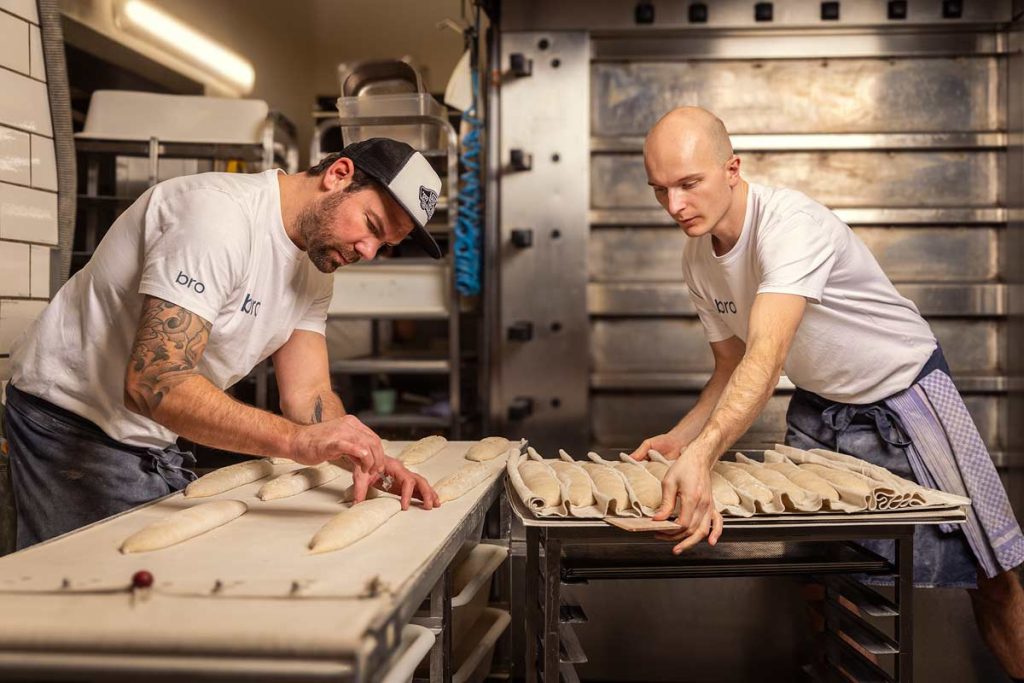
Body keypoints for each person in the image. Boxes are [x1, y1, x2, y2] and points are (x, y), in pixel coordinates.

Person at [628, 106, 1024, 679]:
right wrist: (679, 439)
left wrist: (704, 455)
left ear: (732, 168)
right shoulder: (698, 256)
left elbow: (765, 361)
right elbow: (730, 366)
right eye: (660, 190)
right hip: (821, 407)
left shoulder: (791, 225)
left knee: (990, 575)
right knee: (819, 576)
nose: (675, 206)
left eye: (689, 184)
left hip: (905, 397)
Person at [3, 137, 443, 550]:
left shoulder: (316, 267)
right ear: (339, 174)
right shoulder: (218, 217)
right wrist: (295, 442)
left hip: (151, 440)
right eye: (371, 225)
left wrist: (371, 460)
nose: (368, 251)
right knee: (99, 612)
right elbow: (154, 382)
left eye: (383, 244)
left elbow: (308, 395)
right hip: (70, 428)